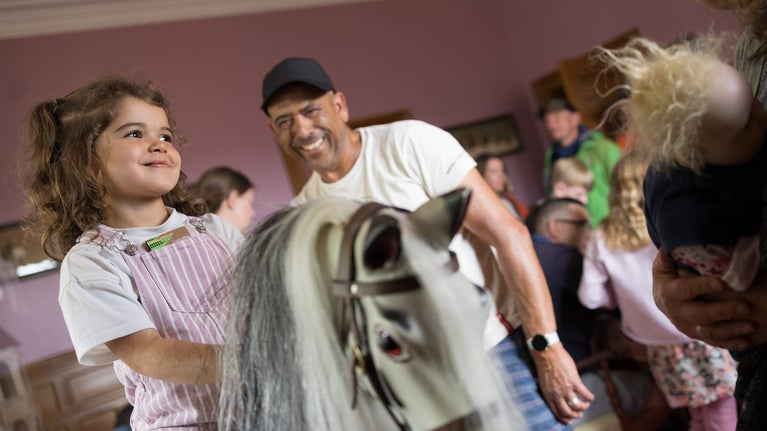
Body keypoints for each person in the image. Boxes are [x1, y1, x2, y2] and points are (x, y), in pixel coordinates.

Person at [260, 56, 593, 429]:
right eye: (285, 121)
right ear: (274, 132)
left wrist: (546, 347)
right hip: (410, 388)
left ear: (340, 105)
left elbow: (508, 233)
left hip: (494, 350)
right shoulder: (305, 214)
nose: (302, 129)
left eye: (311, 111)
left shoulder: (408, 143)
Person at [21, 76, 244, 430]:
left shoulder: (214, 229)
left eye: (165, 135)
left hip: (263, 406)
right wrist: (250, 363)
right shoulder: (93, 262)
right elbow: (147, 353)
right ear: (84, 162)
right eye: (134, 134)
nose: (158, 144)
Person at [599, 35, 767, 429]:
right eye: (747, 123)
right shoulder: (689, 210)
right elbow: (727, 280)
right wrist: (687, 296)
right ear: (694, 156)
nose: (763, 113)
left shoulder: (724, 135)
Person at [579, 152, 738, 430]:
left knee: (696, 409)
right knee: (721, 405)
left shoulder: (601, 236)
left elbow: (590, 297)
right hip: (697, 331)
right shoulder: (670, 226)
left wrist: (620, 297)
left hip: (656, 342)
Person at [526, 197, 662, 428]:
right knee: (662, 394)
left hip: (534, 390)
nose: (589, 232)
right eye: (581, 224)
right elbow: (621, 304)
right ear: (554, 227)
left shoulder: (525, 256)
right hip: (578, 381)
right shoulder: (564, 258)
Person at [539, 95, 622, 227]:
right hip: (577, 234)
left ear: (575, 118)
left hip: (612, 228)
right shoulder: (550, 157)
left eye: (557, 118)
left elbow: (625, 187)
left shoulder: (603, 148)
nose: (551, 125)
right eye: (547, 121)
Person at [195, 166, 256, 233]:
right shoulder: (228, 241)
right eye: (250, 202)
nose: (253, 213)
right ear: (232, 199)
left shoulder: (195, 234)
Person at [475, 153, 529, 220]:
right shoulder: (480, 208)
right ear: (482, 176)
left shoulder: (510, 200)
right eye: (494, 171)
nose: (501, 175)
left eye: (503, 170)